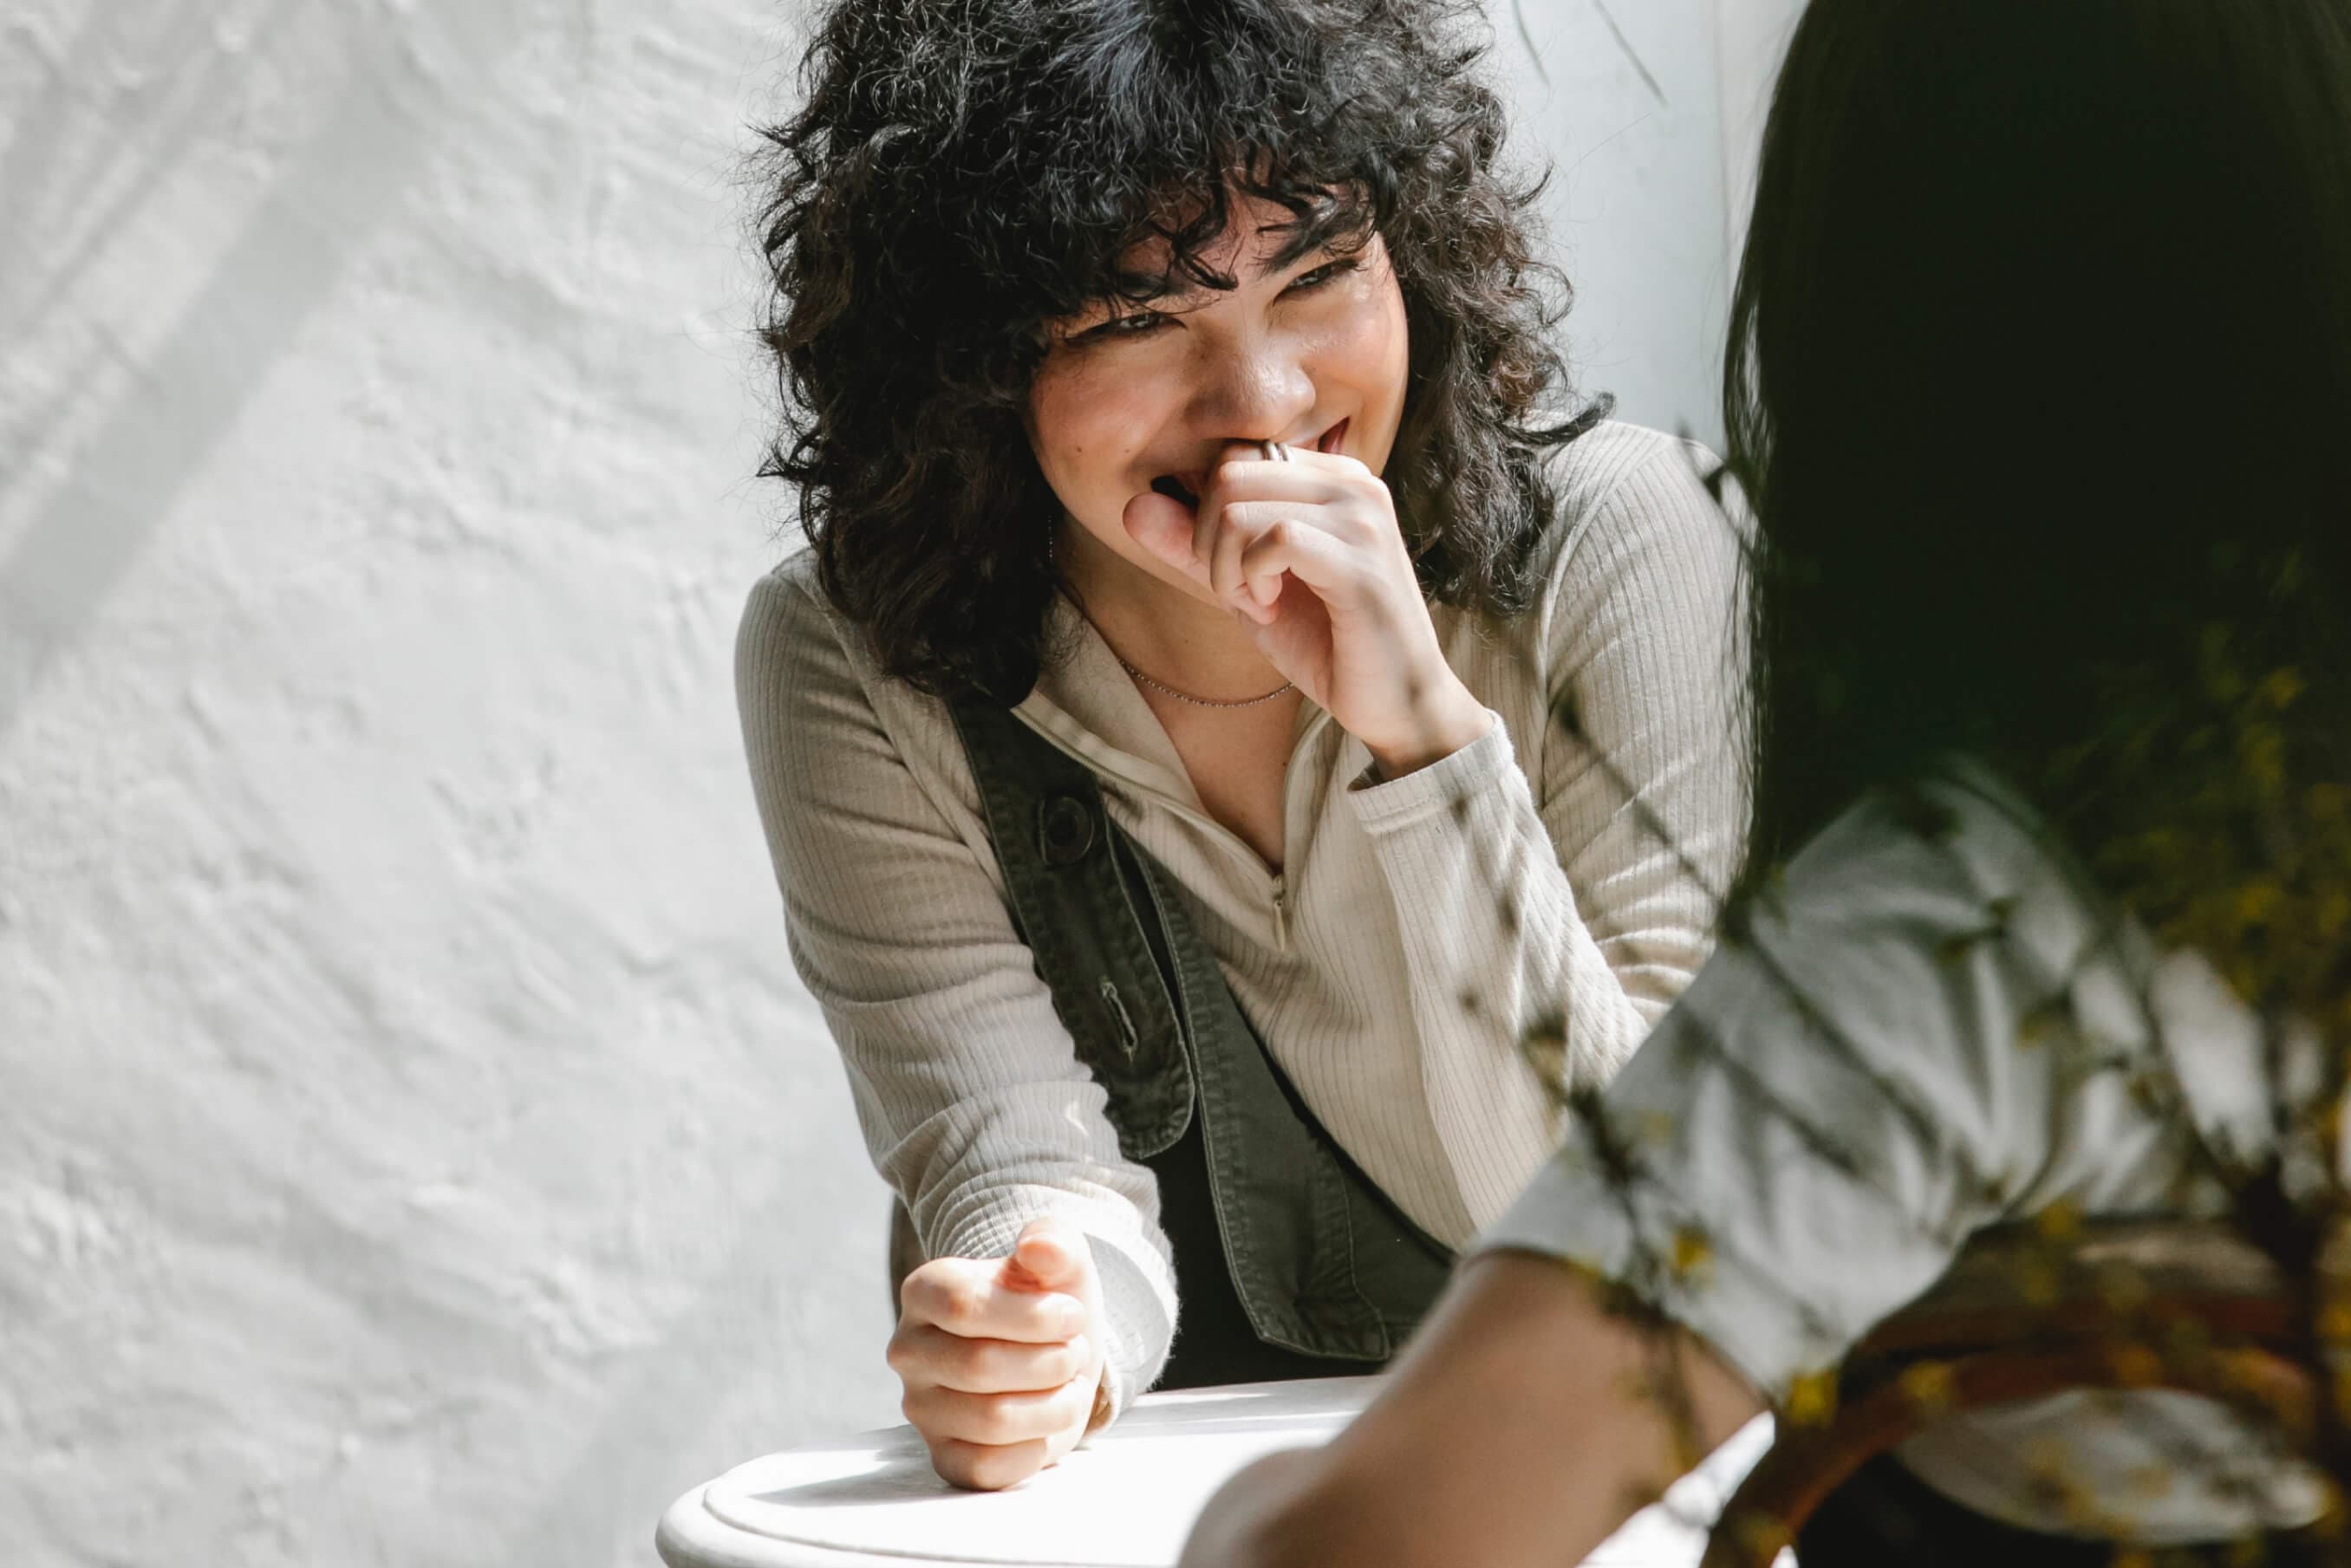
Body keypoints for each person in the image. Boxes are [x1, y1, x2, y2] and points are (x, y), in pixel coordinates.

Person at [1177, 0, 2351, 1561]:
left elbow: (1358, 1548)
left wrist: (1240, 1510)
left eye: (1318, 270)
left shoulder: (1961, 938)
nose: (1256, 406)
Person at [736, 0, 1748, 1492]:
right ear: (967, 368)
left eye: (1321, 275)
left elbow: (1658, 1262)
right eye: (1137, 320)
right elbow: (1019, 1167)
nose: (1265, 407)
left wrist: (1426, 742)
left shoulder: (1625, 543)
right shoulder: (862, 654)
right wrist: (1040, 1333)